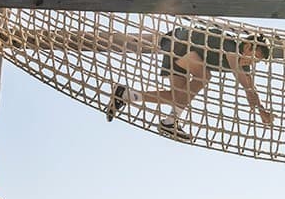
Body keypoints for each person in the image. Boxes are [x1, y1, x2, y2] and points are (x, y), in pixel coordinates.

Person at [106, 24, 273, 140]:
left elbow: (250, 87)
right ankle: (170, 122)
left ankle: (125, 95)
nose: (253, 63)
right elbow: (245, 83)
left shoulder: (242, 63)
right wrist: (256, 103)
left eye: (257, 61)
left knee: (177, 97)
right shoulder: (231, 46)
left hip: (180, 53)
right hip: (182, 43)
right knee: (204, 77)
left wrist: (261, 110)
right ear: (248, 47)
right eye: (255, 57)